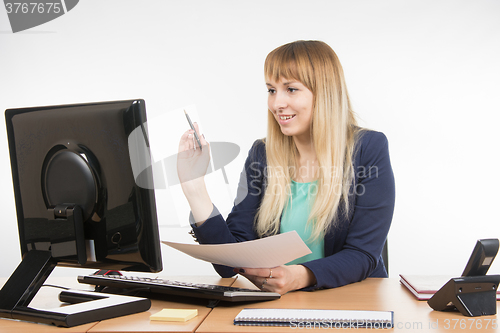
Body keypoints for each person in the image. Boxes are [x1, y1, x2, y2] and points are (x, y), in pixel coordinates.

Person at [177, 40, 395, 295]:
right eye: (271, 90)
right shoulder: (263, 155)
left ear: (324, 93)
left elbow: (363, 255)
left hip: (351, 300)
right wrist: (194, 188)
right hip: (281, 304)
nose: (277, 103)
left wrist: (300, 276)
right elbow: (230, 263)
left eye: (291, 89)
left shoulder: (368, 148)